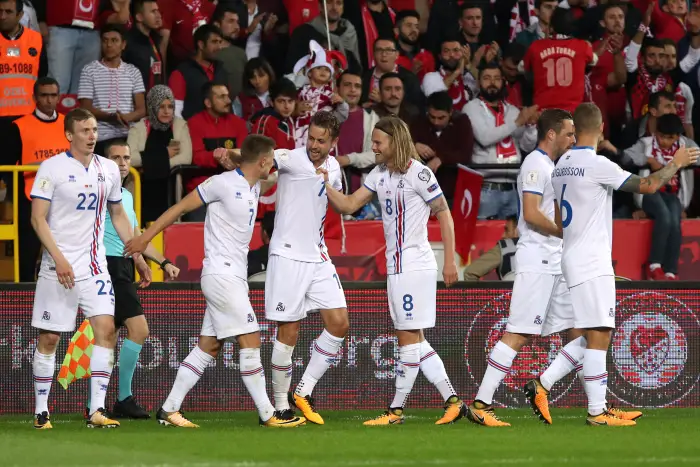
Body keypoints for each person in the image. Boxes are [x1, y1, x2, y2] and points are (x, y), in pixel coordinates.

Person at [125, 134, 305, 429]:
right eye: (270, 161)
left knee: (208, 347)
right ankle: (267, 413)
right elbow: (180, 208)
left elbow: (248, 161)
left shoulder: (255, 184)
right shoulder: (221, 184)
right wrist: (146, 237)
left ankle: (169, 409)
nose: (272, 166)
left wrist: (230, 152)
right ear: (262, 162)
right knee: (250, 339)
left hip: (233, 275)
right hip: (221, 276)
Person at [550, 103, 698, 426]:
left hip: (573, 253)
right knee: (600, 332)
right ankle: (596, 412)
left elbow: (561, 218)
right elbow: (648, 186)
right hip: (590, 259)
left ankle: (545, 385)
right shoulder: (596, 164)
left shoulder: (561, 165)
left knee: (594, 332)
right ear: (601, 127)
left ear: (576, 129)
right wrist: (675, 163)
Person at [318, 115, 465, 426]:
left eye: (378, 142)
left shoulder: (420, 175)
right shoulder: (379, 173)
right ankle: (453, 401)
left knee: (408, 339)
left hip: (414, 265)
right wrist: (325, 185)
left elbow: (445, 215)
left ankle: (395, 411)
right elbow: (347, 206)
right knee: (416, 339)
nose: (373, 148)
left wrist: (450, 260)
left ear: (395, 142)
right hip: (396, 268)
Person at [214, 111, 349, 425]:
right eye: (311, 138)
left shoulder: (332, 168)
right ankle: (279, 407)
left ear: (334, 142)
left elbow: (340, 201)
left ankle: (303, 391)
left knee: (339, 323)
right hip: (287, 256)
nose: (314, 145)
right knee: (289, 331)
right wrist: (229, 154)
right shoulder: (290, 157)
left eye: (321, 140)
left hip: (318, 256)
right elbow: (257, 158)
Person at [30, 108, 152, 429]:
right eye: (84, 130)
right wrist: (58, 258)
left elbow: (118, 215)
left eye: (94, 129)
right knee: (50, 338)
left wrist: (137, 253)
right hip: (59, 266)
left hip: (95, 266)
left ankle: (95, 410)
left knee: (107, 330)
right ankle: (41, 410)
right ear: (70, 135)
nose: (91, 135)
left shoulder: (108, 169)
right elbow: (37, 218)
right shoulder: (52, 168)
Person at [466, 109, 583, 427]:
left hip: (555, 261)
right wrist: (563, 231)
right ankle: (481, 403)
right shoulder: (535, 164)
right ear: (551, 134)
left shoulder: (552, 167)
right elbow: (531, 214)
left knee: (584, 333)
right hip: (537, 262)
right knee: (518, 334)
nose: (573, 139)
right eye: (569, 133)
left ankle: (589, 404)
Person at [89, 139, 180, 419]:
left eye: (126, 158)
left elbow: (133, 235)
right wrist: (162, 261)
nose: (123, 163)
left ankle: (102, 404)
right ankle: (122, 398)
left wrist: (141, 260)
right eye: (115, 158)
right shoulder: (101, 191)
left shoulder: (125, 196)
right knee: (138, 330)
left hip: (123, 265)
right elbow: (126, 236)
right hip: (109, 266)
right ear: (104, 163)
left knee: (110, 336)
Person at [5, 77, 68, 282]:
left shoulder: (70, 123)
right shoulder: (19, 126)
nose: (49, 100)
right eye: (44, 95)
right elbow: (7, 166)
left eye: (53, 95)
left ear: (58, 97)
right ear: (34, 97)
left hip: (66, 198)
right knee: (28, 254)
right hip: (31, 198)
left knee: (67, 252)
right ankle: (24, 300)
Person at [78, 23, 146, 156]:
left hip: (129, 137)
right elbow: (86, 108)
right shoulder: (89, 70)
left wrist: (125, 117)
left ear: (123, 45)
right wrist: (111, 117)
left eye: (114, 40)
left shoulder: (133, 71)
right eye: (105, 40)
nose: (109, 45)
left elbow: (142, 109)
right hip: (100, 137)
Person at [128, 85, 192, 224]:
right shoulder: (138, 128)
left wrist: (149, 164)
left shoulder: (180, 126)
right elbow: (130, 159)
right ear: (152, 106)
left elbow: (186, 158)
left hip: (170, 190)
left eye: (170, 106)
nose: (166, 111)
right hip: (144, 191)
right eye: (161, 106)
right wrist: (165, 154)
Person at [523, 7, 597, 113]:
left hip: (543, 113)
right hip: (572, 113)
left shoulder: (536, 47)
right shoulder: (582, 46)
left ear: (551, 27)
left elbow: (524, 69)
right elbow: (594, 60)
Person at [168, 24, 226, 120]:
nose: (219, 47)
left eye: (220, 42)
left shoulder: (221, 71)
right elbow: (175, 112)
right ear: (201, 45)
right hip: (191, 132)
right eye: (214, 42)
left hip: (219, 131)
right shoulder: (181, 73)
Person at [0, 0, 44, 124]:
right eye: (0, 11)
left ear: (20, 15)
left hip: (28, 114)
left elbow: (42, 74)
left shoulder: (36, 40)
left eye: (8, 12)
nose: (2, 16)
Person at [123, 0, 165, 93]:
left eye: (158, 11)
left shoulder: (154, 39)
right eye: (153, 12)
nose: (158, 15)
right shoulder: (128, 43)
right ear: (139, 17)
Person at [462, 216, 518, 281]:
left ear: (517, 231)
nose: (503, 235)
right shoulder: (532, 247)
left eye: (507, 230)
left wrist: (481, 291)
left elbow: (470, 272)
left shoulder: (506, 247)